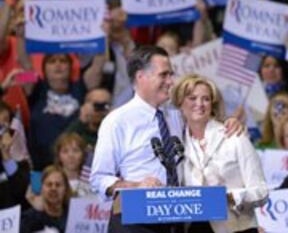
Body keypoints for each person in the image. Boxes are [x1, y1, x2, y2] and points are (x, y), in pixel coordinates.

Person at [90, 46, 242, 233]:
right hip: (134, 223)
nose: (171, 81)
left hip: (176, 220)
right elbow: (99, 178)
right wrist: (136, 186)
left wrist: (229, 123)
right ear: (141, 77)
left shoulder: (177, 114)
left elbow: (208, 129)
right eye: (164, 75)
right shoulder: (117, 121)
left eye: (171, 74)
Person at [171, 74, 268, 233]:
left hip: (237, 227)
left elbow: (261, 191)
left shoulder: (234, 136)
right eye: (192, 98)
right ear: (180, 103)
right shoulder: (178, 143)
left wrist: (230, 197)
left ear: (212, 104)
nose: (199, 104)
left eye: (206, 99)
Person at [21, 165, 72, 233]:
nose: (53, 188)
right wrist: (38, 211)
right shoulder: (28, 218)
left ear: (65, 189)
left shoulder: (73, 216)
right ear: (41, 188)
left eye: (58, 184)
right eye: (49, 184)